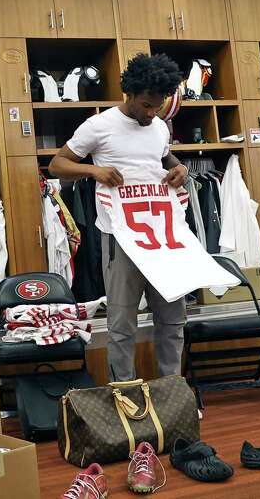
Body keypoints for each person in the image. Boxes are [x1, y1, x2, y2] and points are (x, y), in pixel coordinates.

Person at [48, 53, 187, 381]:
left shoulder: (158, 128)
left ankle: (173, 392)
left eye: (158, 106)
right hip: (120, 237)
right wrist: (93, 170)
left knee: (173, 320)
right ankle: (124, 395)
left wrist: (178, 168)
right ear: (130, 94)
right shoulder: (99, 125)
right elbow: (56, 164)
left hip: (162, 237)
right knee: (122, 325)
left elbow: (164, 158)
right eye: (146, 105)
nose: (152, 113)